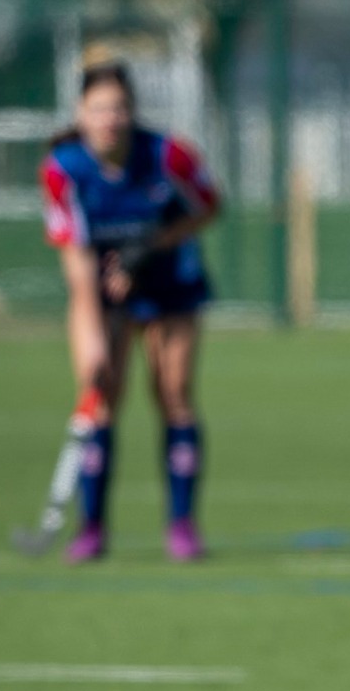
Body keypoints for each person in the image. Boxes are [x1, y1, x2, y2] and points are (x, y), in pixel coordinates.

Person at [40, 62, 219, 561]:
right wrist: (93, 330)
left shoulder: (169, 155)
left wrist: (152, 243)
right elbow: (75, 261)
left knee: (174, 392)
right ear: (81, 113)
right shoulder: (63, 169)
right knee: (99, 395)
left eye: (119, 108)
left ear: (132, 111)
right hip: (105, 291)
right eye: (99, 109)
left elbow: (209, 206)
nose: (109, 119)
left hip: (170, 284)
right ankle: (91, 528)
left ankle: (182, 526)